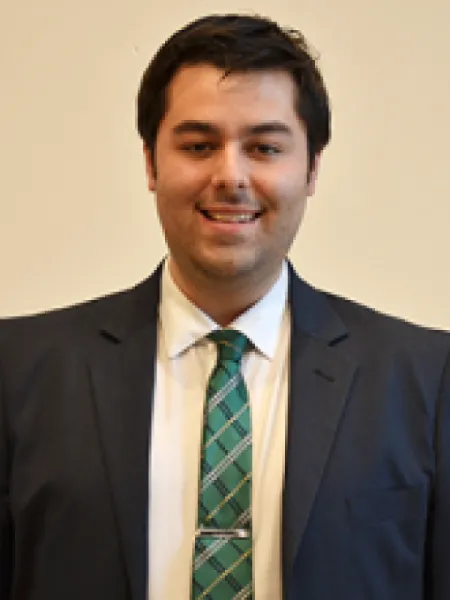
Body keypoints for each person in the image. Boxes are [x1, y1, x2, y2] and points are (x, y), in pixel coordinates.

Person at [0, 13, 449, 600]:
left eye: (264, 147)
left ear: (311, 168)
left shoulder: (427, 377)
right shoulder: (18, 369)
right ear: (150, 163)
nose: (230, 176)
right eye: (198, 145)